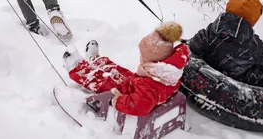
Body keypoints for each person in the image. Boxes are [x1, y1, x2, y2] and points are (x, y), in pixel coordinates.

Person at [62, 22, 190, 116]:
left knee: (104, 82)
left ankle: (78, 68)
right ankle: (96, 62)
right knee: (118, 70)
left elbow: (140, 105)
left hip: (129, 94)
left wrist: (118, 101)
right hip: (136, 85)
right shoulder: (168, 73)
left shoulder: (149, 86)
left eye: (143, 57)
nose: (141, 58)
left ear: (155, 62)